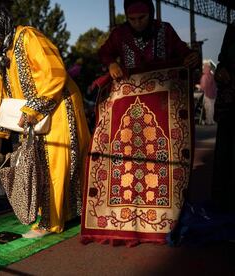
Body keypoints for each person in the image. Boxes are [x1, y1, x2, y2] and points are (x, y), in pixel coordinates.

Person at [81, 0, 199, 246]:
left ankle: (160, 220)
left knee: (158, 160)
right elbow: (104, 52)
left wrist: (191, 57)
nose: (137, 24)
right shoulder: (120, 33)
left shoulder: (165, 31)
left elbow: (183, 52)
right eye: (132, 19)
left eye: (142, 18)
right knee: (128, 161)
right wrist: (112, 63)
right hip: (128, 104)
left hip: (161, 107)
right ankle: (125, 219)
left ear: (150, 14)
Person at [0, 8, 90, 238]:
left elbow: (54, 74)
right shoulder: (2, 57)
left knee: (55, 164)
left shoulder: (27, 37)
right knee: (37, 165)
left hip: (57, 109)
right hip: (31, 118)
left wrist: (33, 109)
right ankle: (62, 214)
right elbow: (2, 97)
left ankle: (51, 222)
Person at [212, 21, 235, 214]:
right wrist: (221, 70)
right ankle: (221, 208)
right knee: (223, 158)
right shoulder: (233, 27)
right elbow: (223, 60)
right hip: (230, 104)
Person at [198, 61, 217, 125]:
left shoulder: (205, 76)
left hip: (207, 94)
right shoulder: (211, 76)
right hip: (213, 94)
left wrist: (198, 86)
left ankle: (208, 121)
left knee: (207, 108)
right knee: (212, 108)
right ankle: (211, 120)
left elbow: (203, 87)